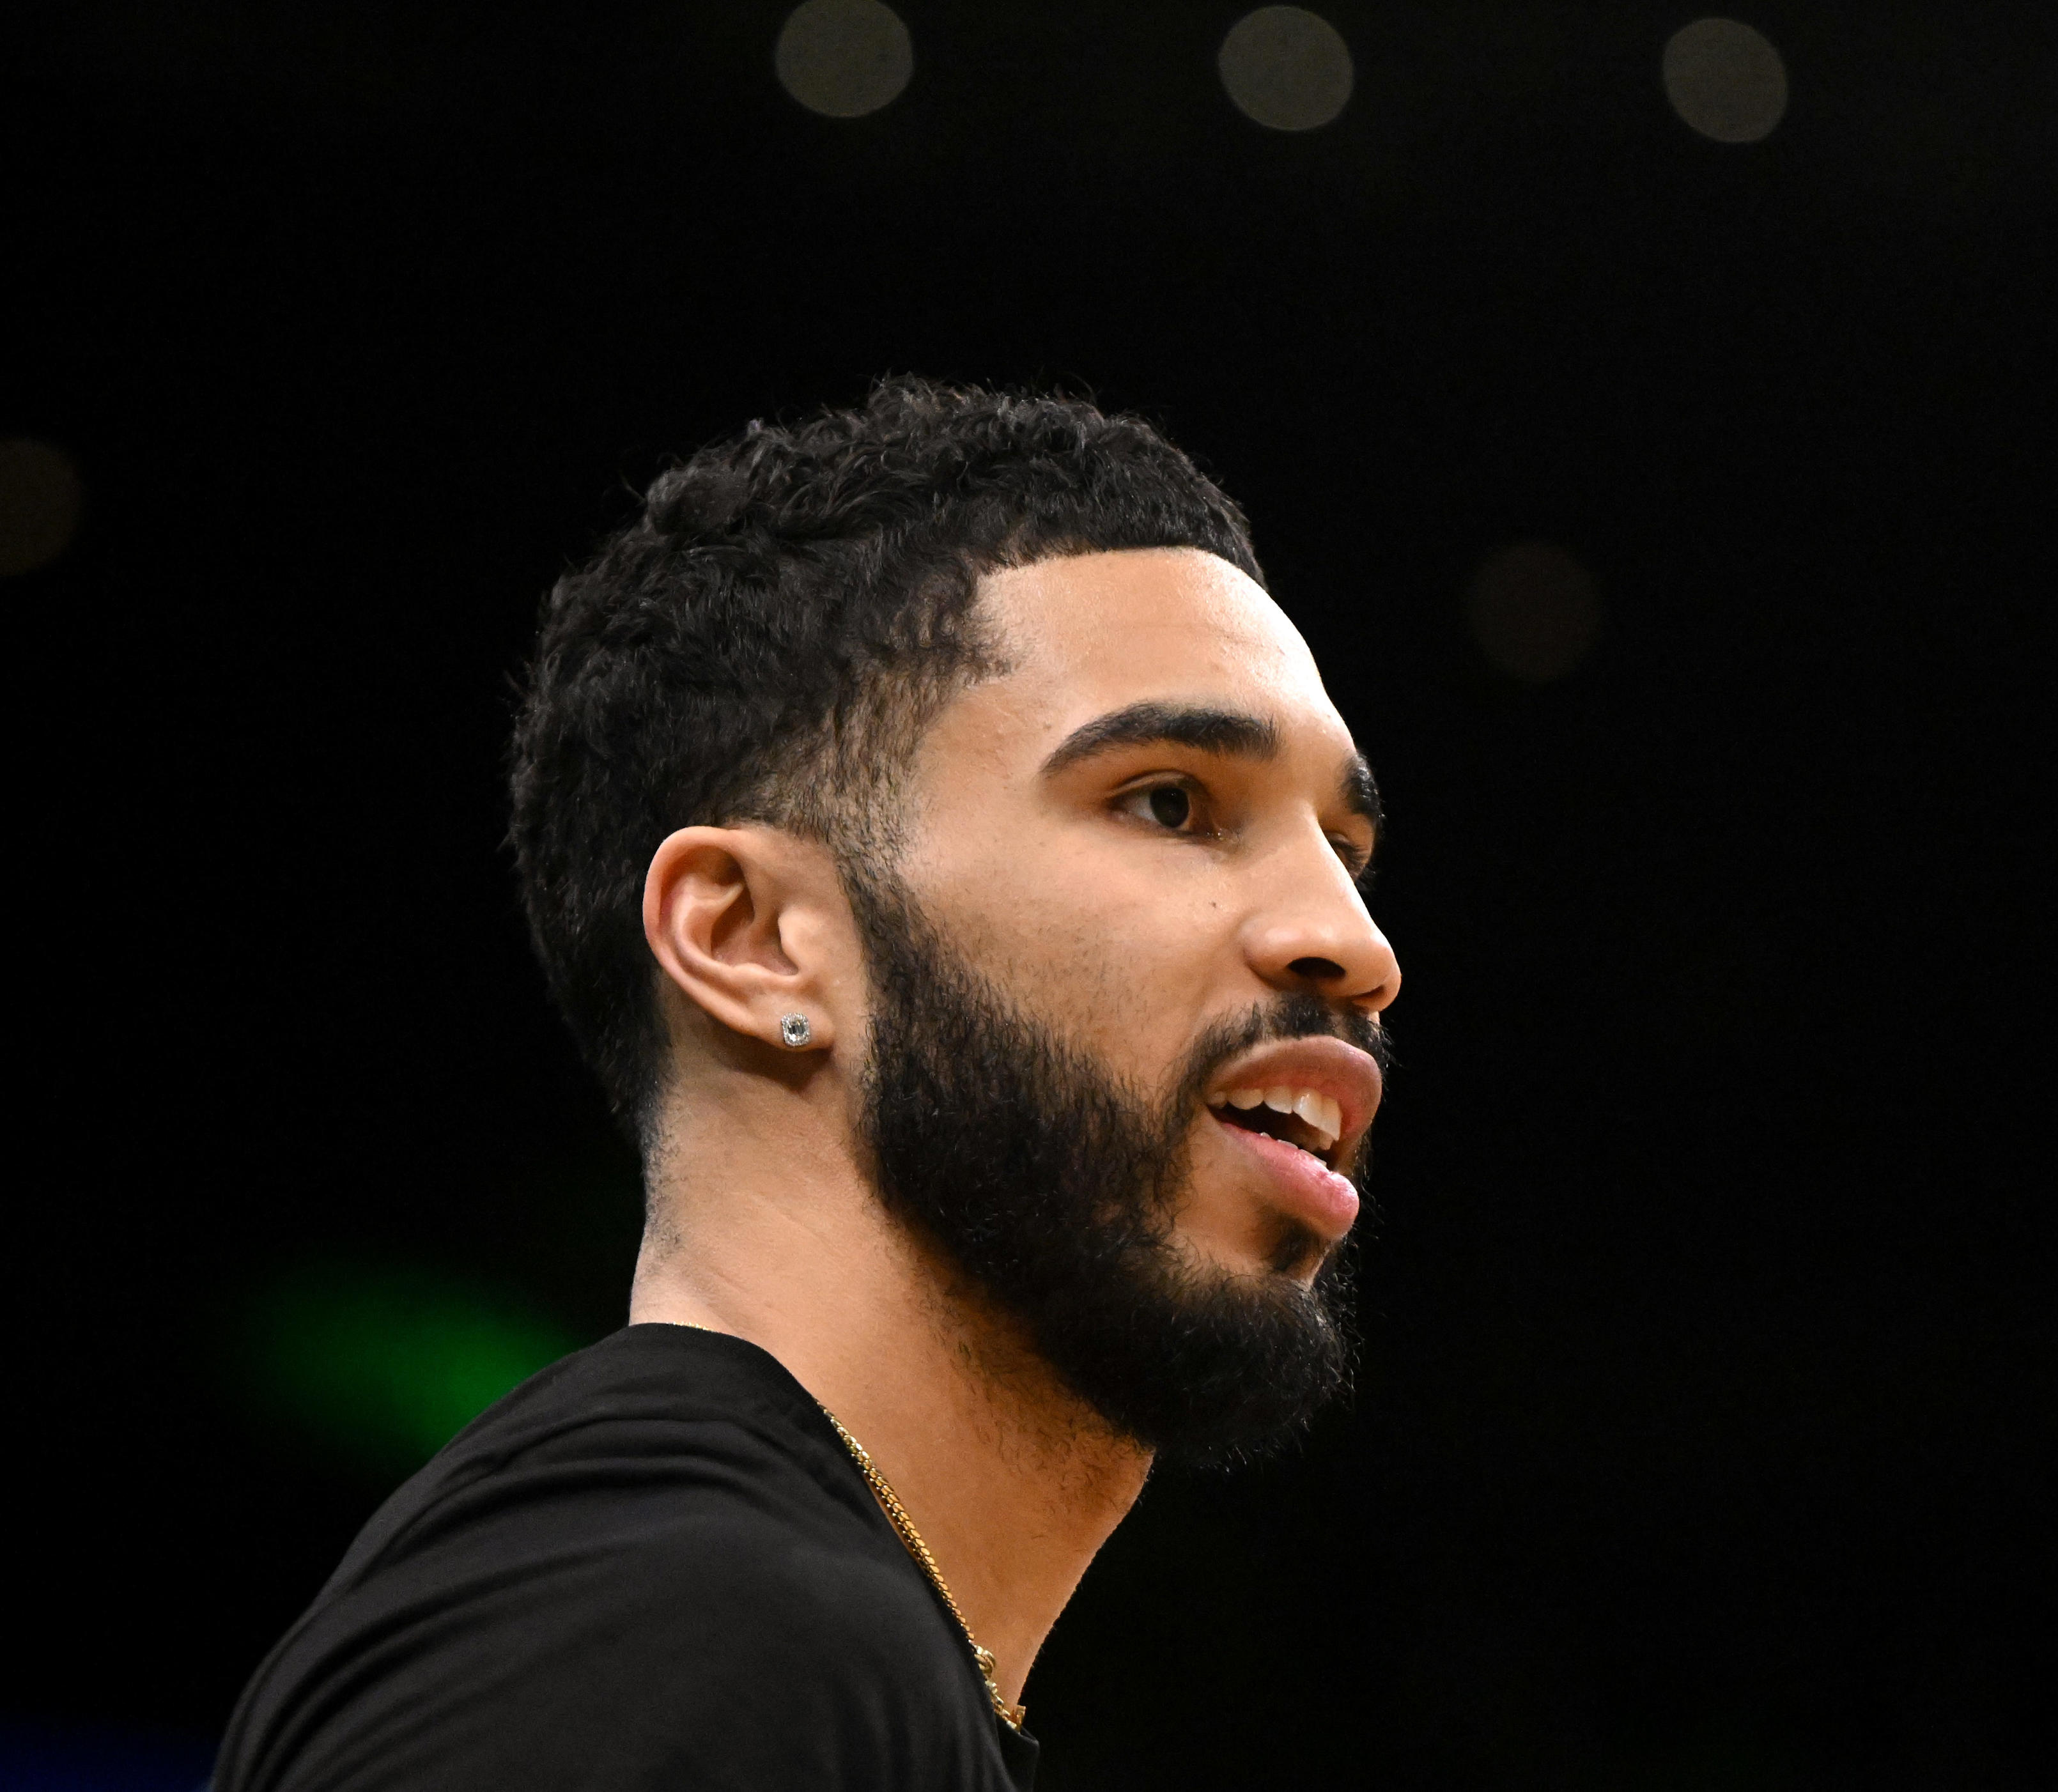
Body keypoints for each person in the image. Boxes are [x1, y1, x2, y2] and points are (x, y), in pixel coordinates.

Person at [214, 379, 1401, 1790]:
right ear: (753, 940)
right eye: (1171, 802)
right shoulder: (687, 1627)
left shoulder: (791, 1631)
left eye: (1346, 846)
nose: (1354, 944)